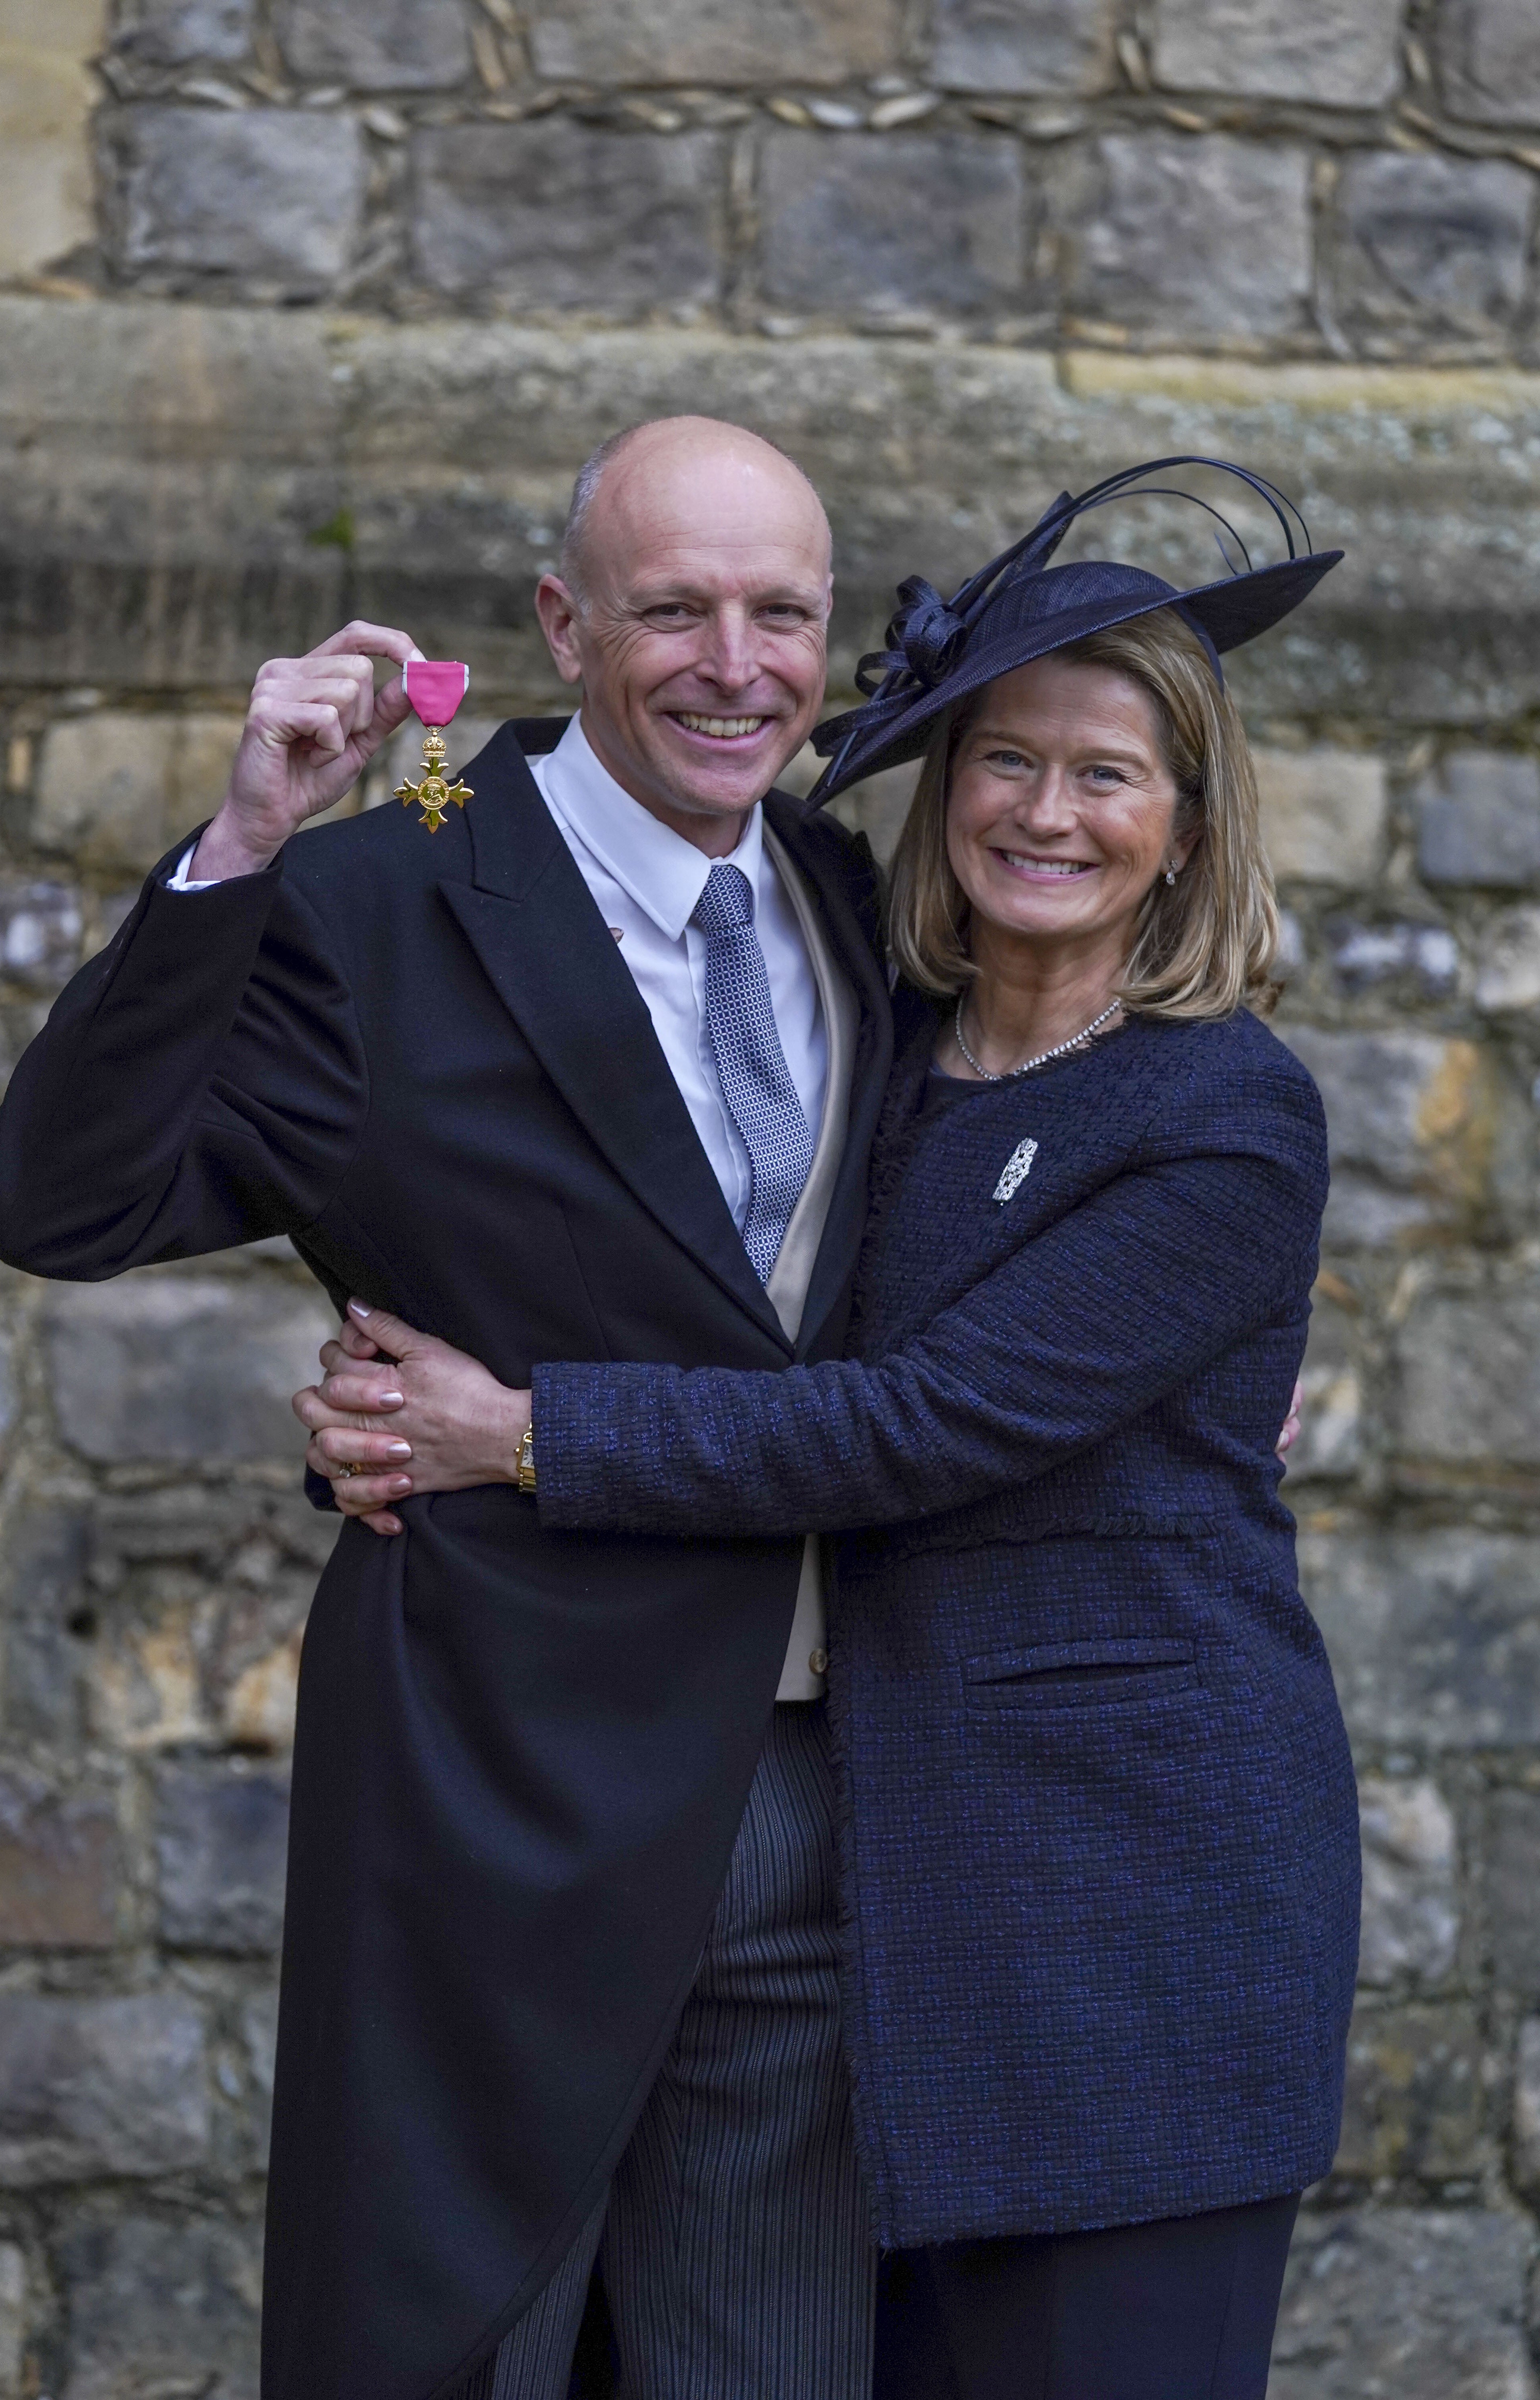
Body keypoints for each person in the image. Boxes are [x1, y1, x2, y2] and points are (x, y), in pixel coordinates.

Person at [296, 462, 1362, 2400]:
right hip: (886, 1902)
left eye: (1108, 774)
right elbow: (546, 912)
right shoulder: (872, 1008)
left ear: (1190, 824)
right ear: (938, 783)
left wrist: (517, 1433)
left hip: (1120, 1913)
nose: (1046, 811)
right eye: (1005, 760)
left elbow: (923, 1419)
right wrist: (411, 765)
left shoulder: (1219, 1109)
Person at [0, 418, 899, 2400]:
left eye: (781, 612)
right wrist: (234, 851)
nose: (734, 663)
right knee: (451, 2360)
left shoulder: (851, 893)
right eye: (672, 611)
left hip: (826, 1791)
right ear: (565, 626)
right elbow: (66, 1201)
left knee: (777, 2363)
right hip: (499, 1784)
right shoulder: (370, 900)